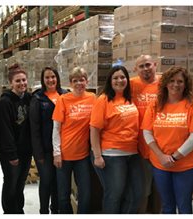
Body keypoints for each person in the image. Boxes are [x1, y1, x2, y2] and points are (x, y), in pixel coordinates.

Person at [142, 66, 193, 214]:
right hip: (160, 165)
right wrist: (161, 156)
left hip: (187, 166)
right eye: (172, 80)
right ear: (165, 83)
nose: (176, 84)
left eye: (180, 81)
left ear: (186, 84)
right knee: (167, 205)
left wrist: (173, 157)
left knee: (184, 204)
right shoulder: (155, 105)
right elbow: (147, 133)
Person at [90, 65, 144, 213]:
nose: (119, 80)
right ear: (110, 81)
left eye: (122, 77)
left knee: (137, 195)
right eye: (115, 78)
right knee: (114, 195)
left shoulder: (129, 99)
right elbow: (94, 129)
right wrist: (97, 156)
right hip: (112, 155)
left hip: (133, 153)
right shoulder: (103, 100)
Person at [52, 67, 95, 213]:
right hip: (64, 155)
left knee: (86, 192)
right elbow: (56, 128)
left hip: (82, 155)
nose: (79, 83)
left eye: (81, 80)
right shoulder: (63, 100)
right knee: (63, 195)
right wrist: (56, 153)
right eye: (75, 81)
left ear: (86, 81)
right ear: (70, 83)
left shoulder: (92, 98)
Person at [0, 63, 33, 214]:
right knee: (11, 182)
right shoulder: (4, 102)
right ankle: (9, 211)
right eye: (18, 81)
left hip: (25, 150)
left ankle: (19, 209)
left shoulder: (29, 98)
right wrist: (12, 154)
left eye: (24, 80)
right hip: (10, 152)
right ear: (11, 83)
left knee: (21, 182)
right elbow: (4, 131)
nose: (21, 83)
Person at [30, 67, 66, 214]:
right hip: (44, 150)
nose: (50, 80)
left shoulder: (65, 95)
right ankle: (43, 211)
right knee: (46, 181)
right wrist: (38, 154)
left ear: (57, 78)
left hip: (63, 148)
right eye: (47, 77)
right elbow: (34, 128)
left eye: (53, 77)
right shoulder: (37, 98)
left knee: (58, 183)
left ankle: (55, 210)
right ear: (43, 80)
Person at [131, 54, 161, 213]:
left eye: (148, 65)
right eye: (141, 66)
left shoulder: (165, 83)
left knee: (161, 190)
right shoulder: (131, 84)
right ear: (136, 69)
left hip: (163, 146)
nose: (145, 69)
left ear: (155, 65)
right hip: (140, 147)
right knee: (143, 190)